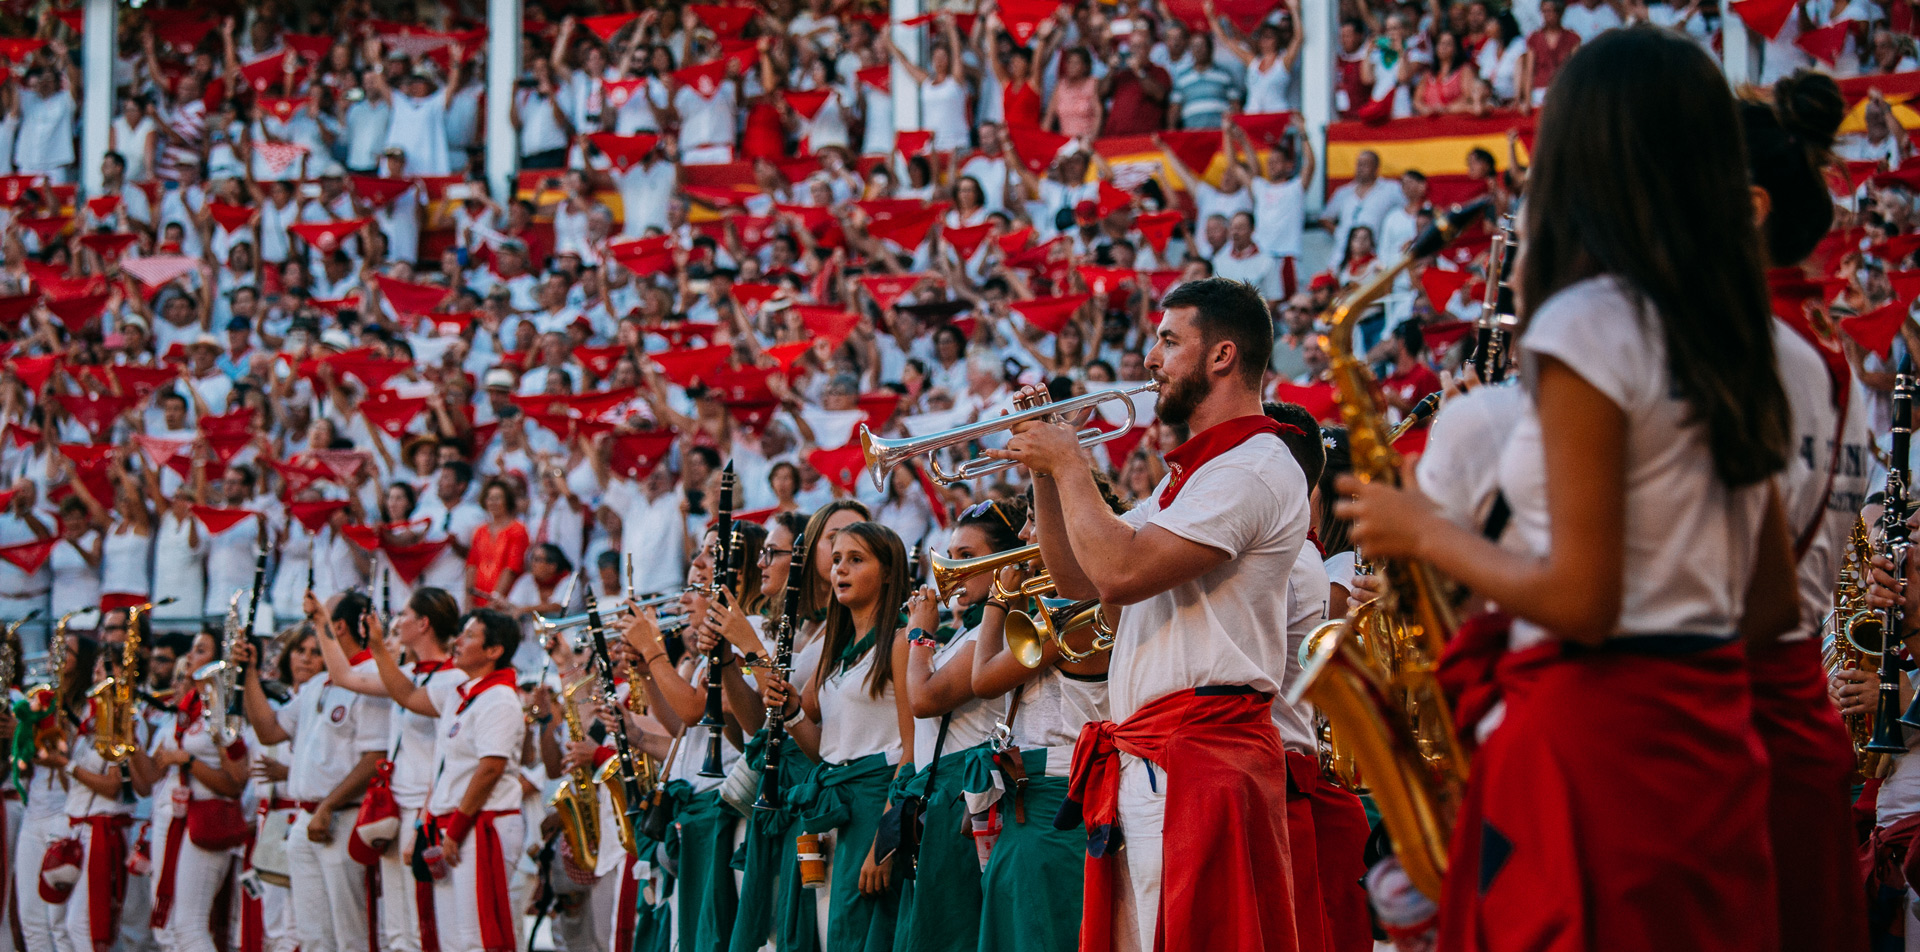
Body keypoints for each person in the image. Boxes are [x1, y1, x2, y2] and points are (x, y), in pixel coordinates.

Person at [1340, 28, 1794, 952]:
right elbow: (1771, 599)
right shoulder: (1735, 334)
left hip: (1590, 753)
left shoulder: (1588, 323)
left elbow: (1583, 601)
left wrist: (1422, 530)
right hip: (1711, 748)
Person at [986, 276, 1309, 951]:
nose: (1150, 360)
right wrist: (1046, 474)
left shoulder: (1252, 466)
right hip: (1160, 754)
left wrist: (1072, 460)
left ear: (1221, 356)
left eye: (1167, 340)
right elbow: (1077, 575)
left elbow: (1121, 571)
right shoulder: (1183, 476)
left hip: (1197, 754)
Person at [760, 521, 913, 952]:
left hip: (872, 811)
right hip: (829, 814)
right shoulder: (837, 650)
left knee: (861, 938)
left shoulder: (901, 641)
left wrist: (885, 841)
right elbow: (824, 753)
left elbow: (911, 750)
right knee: (826, 936)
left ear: (888, 572)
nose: (840, 569)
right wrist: (791, 712)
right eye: (838, 559)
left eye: (856, 559)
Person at [236, 591, 394, 952]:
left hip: (344, 817)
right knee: (312, 935)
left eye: (320, 616)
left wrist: (327, 806)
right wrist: (249, 675)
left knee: (352, 933)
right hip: (307, 818)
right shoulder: (315, 685)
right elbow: (270, 731)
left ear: (336, 626)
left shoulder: (371, 676)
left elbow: (375, 758)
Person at [312, 588, 465, 952]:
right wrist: (321, 623)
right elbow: (347, 677)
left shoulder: (454, 680)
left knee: (426, 923)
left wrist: (424, 820)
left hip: (427, 809)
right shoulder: (409, 672)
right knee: (398, 928)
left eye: (404, 615)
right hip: (396, 805)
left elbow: (447, 758)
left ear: (423, 623)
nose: (396, 621)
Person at [365, 609, 526, 952]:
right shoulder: (460, 692)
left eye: (469, 636)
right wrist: (378, 647)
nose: (458, 641)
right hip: (452, 824)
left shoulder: (499, 699)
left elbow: (490, 769)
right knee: (452, 938)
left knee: (476, 937)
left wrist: (456, 828)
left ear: (494, 651)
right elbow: (407, 696)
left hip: (480, 824)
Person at [127, 628, 250, 952]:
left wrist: (188, 760)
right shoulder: (185, 708)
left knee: (190, 927)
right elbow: (151, 776)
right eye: (193, 650)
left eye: (200, 650)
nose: (191, 657)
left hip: (205, 818)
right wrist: (130, 742)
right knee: (168, 928)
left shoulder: (221, 707)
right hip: (173, 820)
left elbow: (236, 781)